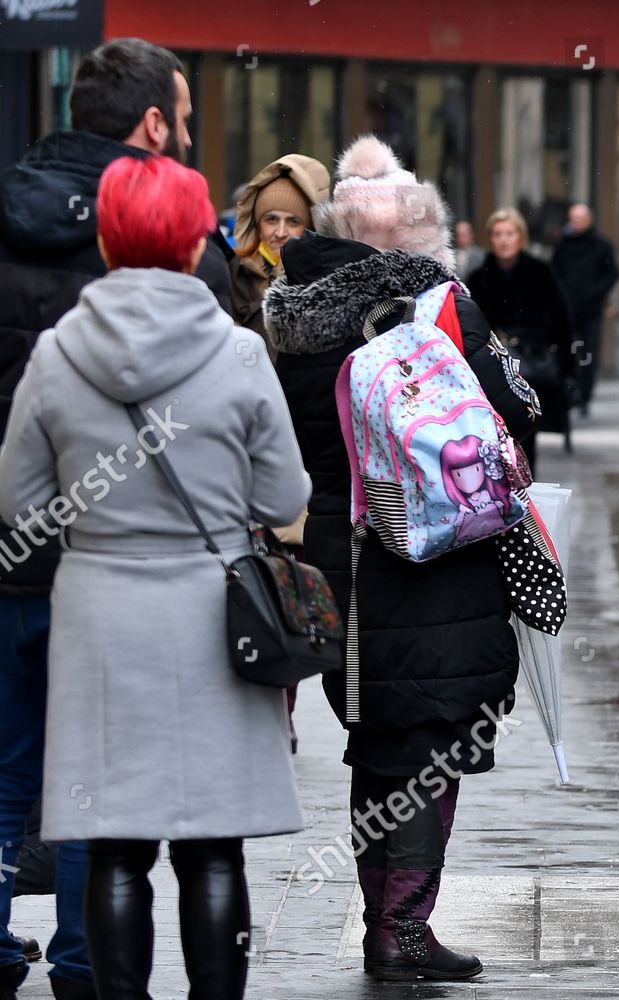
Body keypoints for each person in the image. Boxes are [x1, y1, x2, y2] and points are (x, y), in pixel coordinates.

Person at [0, 155, 309, 999]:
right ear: (190, 245)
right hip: (218, 614)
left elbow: (18, 500)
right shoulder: (241, 354)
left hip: (101, 618)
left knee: (116, 841)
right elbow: (285, 493)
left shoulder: (60, 355)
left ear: (105, 239)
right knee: (215, 848)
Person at [264, 135, 537, 982]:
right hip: (433, 557)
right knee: (428, 740)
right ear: (419, 238)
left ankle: (388, 921)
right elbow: (512, 416)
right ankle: (402, 927)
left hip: (338, 559)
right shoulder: (439, 307)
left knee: (379, 736)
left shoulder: (290, 316)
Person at [0, 36, 232, 1000]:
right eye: (181, 118)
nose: (184, 136)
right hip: (126, 575)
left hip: (11, 559)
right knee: (95, 770)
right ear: (151, 123)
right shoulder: (181, 252)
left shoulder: (5, 214)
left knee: (6, 766)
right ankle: (85, 963)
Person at [467, 208, 573, 472]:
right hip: (490, 369)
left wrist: (569, 368)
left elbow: (562, 321)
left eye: (510, 233)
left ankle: (527, 493)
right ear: (490, 239)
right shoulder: (478, 279)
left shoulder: (541, 273)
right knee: (492, 438)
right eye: (497, 234)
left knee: (527, 437)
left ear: (521, 237)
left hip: (531, 366)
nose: (504, 240)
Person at [228, 154, 331, 342]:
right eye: (271, 219)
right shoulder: (233, 273)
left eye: (293, 221)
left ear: (310, 228)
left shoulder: (325, 279)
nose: (281, 232)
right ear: (257, 224)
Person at [550, 203, 619, 416]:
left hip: (590, 311)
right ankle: (572, 390)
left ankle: (584, 393)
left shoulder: (601, 245)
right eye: (573, 218)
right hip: (568, 311)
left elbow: (613, 272)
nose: (575, 223)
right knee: (570, 351)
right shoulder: (563, 244)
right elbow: (554, 272)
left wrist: (596, 293)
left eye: (579, 218)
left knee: (588, 354)